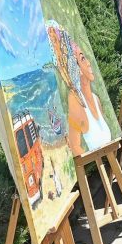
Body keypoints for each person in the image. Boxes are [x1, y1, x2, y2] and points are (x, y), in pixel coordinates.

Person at [46, 22, 112, 156]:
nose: (88, 63)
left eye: (85, 57)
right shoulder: (75, 100)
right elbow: (75, 147)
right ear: (76, 70)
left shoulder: (96, 99)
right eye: (82, 59)